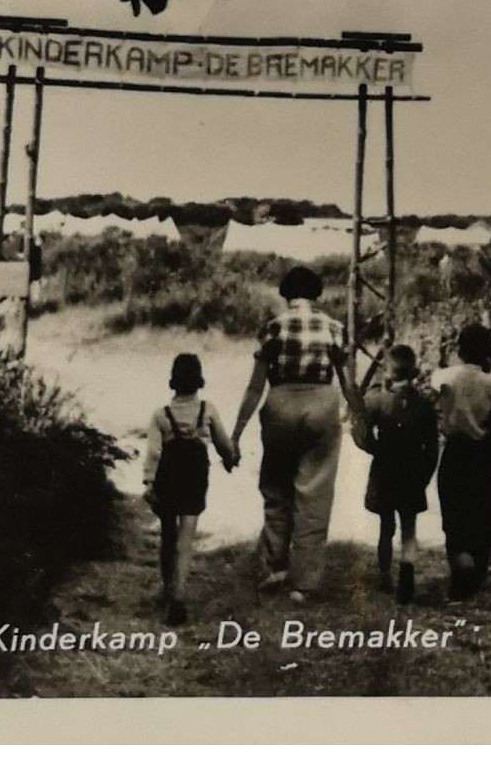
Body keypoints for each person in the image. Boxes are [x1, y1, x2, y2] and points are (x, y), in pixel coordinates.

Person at [231, 266, 348, 603]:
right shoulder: (335, 328)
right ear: (318, 293)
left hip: (280, 404)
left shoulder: (273, 328)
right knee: (315, 493)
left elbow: (255, 386)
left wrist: (237, 433)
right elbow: (348, 381)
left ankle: (274, 567)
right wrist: (361, 419)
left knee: (277, 485)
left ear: (285, 294)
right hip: (322, 405)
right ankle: (305, 583)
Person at [143, 353, 238, 626]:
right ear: (199, 380)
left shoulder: (161, 415)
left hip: (167, 479)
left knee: (168, 536)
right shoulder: (207, 410)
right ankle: (180, 596)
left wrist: (149, 483)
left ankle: (166, 588)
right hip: (195, 478)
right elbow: (223, 445)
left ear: (173, 381)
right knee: (186, 539)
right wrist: (231, 459)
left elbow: (153, 453)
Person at [434, 323, 491, 600]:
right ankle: (476, 573)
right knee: (481, 512)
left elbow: (431, 405)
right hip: (482, 454)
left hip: (454, 452)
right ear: (487, 352)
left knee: (454, 512)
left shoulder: (443, 377)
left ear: (459, 350)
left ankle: (459, 570)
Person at [362, 344, 438, 604]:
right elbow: (432, 449)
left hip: (385, 469)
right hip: (413, 471)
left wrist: (375, 450)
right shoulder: (425, 405)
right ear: (414, 371)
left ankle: (385, 575)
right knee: (409, 526)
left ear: (388, 372)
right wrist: (425, 476)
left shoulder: (377, 402)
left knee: (385, 526)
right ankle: (407, 574)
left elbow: (361, 434)